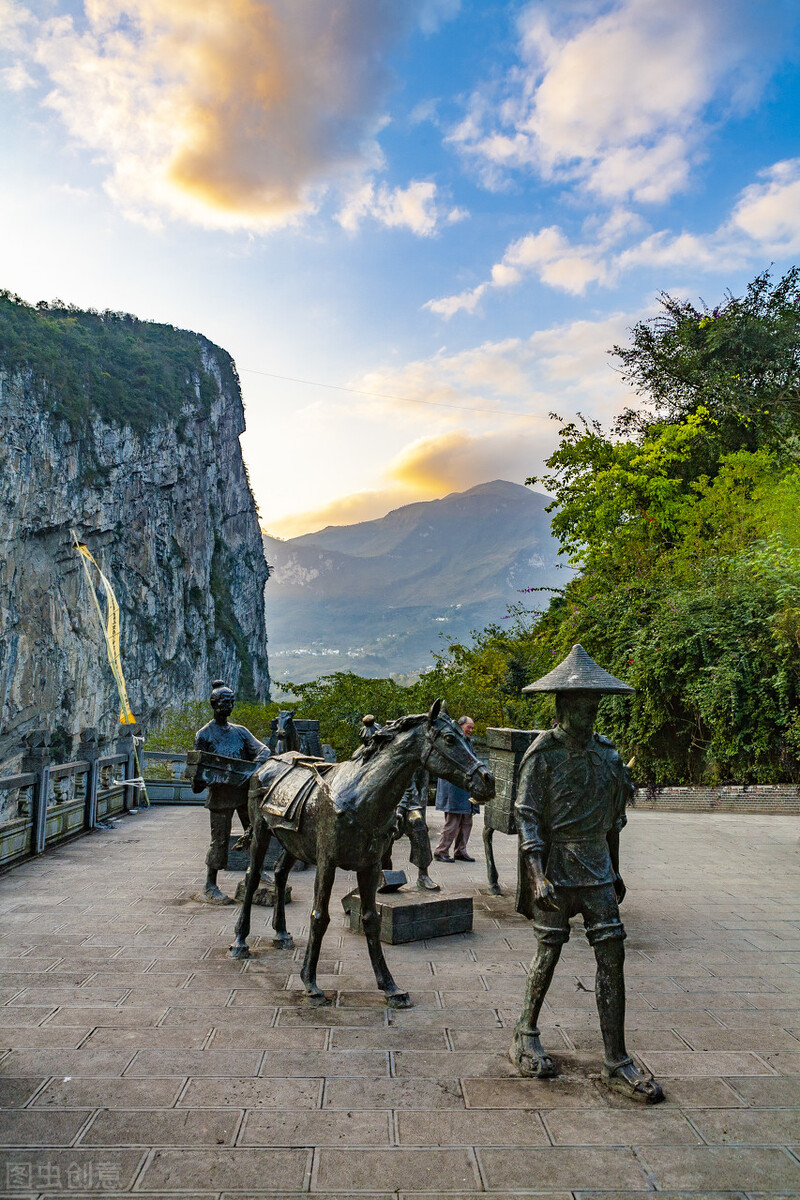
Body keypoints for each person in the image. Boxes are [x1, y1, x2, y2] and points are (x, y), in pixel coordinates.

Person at [509, 645, 663, 1103]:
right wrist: (536, 874)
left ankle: (616, 1059)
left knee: (612, 957)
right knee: (548, 952)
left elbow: (613, 820)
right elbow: (527, 816)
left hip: (596, 869)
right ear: (562, 705)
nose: (590, 711)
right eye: (582, 704)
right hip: (556, 868)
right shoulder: (542, 755)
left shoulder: (608, 756)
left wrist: (615, 870)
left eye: (595, 704)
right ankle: (525, 1031)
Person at [192, 679, 269, 904]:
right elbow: (198, 770)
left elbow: (263, 749)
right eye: (225, 702)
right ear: (214, 704)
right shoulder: (204, 735)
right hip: (221, 796)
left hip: (244, 794)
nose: (229, 706)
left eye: (232, 702)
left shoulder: (240, 732)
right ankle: (210, 884)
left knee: (255, 833)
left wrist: (254, 767)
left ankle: (257, 871)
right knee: (219, 840)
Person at [360, 716, 440, 891]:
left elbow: (408, 788)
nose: (369, 743)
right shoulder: (364, 756)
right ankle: (383, 873)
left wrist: (400, 810)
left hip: (406, 802)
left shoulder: (396, 755)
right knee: (380, 832)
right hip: (380, 805)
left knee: (418, 824)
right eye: (366, 741)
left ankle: (423, 874)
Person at [434, 715, 477, 862]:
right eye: (468, 727)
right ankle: (441, 851)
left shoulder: (467, 741)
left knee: (467, 820)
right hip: (453, 787)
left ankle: (460, 851)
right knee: (453, 821)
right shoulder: (452, 740)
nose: (470, 730)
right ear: (460, 726)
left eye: (472, 728)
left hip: (465, 787)